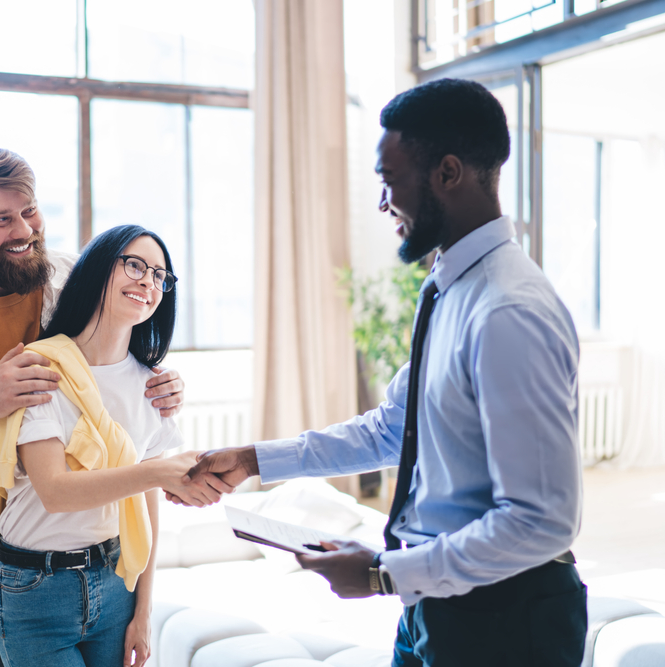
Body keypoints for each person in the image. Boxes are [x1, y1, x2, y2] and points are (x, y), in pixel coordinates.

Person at [184, 78, 587, 666]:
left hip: (508, 620)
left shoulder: (509, 311)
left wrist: (381, 574)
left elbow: (542, 521)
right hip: (435, 604)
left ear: (448, 173)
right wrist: (252, 460)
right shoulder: (449, 288)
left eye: (388, 180)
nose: (382, 203)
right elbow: (391, 429)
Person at [0, 146, 224, 666]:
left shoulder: (76, 279)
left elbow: (119, 372)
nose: (24, 230)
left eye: (29, 211)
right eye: (0, 219)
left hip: (97, 563)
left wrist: (163, 383)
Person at [0, 224, 199, 667]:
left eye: (160, 276)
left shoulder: (151, 385)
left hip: (115, 579)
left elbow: (147, 508)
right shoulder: (43, 367)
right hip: (36, 590)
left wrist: (144, 611)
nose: (148, 281)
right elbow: (56, 491)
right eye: (135, 265)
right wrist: (156, 472)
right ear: (100, 270)